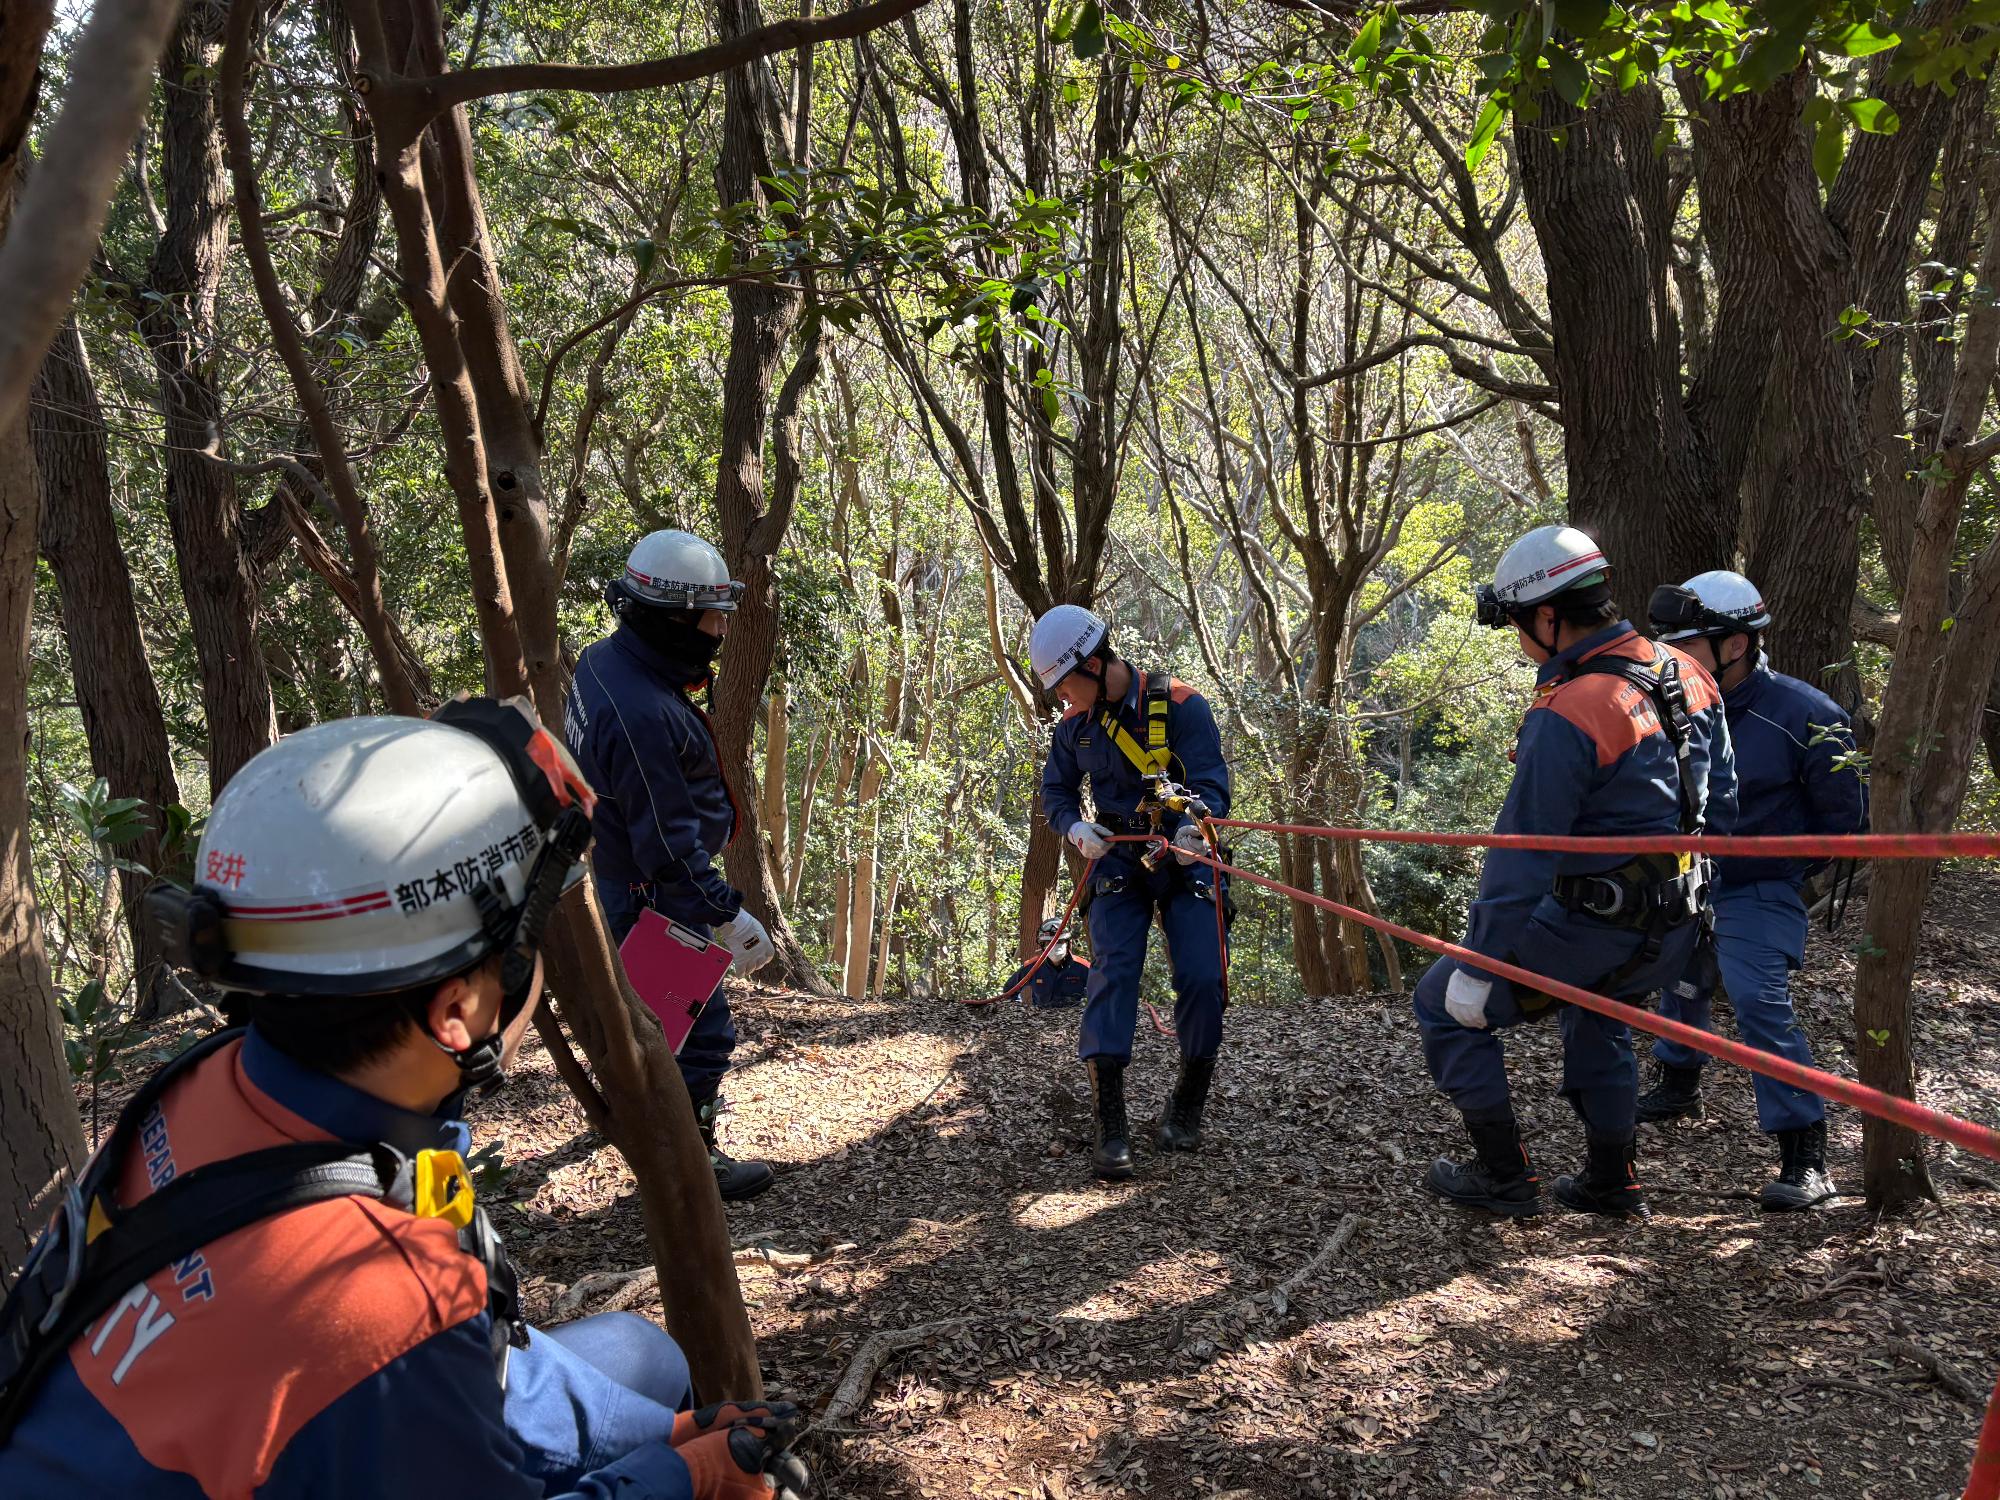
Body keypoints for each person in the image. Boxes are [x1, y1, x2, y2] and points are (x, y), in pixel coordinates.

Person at [0, 702, 807, 1499]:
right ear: (457, 1011)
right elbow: (394, 1342)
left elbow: (482, 1366)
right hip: (337, 1378)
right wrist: (685, 1480)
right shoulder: (378, 1306)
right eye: (523, 949)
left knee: (648, 1359)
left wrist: (665, 1439)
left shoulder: (215, 1082)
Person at [1412, 526, 1736, 1221]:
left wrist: (1481, 958)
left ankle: (1503, 1175)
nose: (1521, 641)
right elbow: (1725, 806)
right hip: (1678, 923)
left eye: (1521, 625)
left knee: (1442, 1004)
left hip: (1596, 925)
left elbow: (1521, 852)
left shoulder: (1571, 710)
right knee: (1598, 1013)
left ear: (1550, 616)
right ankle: (1611, 1180)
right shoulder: (1689, 673)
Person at [1640, 571, 1866, 1210]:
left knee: (1758, 1002)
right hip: (1687, 876)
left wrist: (1781, 869)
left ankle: (1805, 1151)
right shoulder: (1669, 704)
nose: (1672, 658)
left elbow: (1843, 818)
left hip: (1760, 884)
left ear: (1735, 644)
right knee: (1677, 979)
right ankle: (1678, 1079)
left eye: (1688, 644)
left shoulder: (1808, 714)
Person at [566, 530, 776, 1202]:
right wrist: (724, 911)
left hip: (624, 874)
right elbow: (667, 845)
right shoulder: (642, 714)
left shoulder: (602, 664)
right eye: (710, 618)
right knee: (701, 1031)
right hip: (652, 895)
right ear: (668, 620)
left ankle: (642, 1125)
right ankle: (691, 1166)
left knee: (656, 1022)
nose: (720, 632)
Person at [1032, 604, 1233, 1180]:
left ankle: (1189, 1099)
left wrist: (1201, 825)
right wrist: (1073, 827)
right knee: (1113, 970)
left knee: (1201, 974)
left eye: (1067, 684)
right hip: (1120, 854)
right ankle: (1111, 1120)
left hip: (1187, 852)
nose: (1065, 698)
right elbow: (1057, 793)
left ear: (1094, 665)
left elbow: (1213, 785)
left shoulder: (1185, 706)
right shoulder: (1074, 729)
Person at [1002, 916, 1091, 1010]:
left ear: (1068, 943)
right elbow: (1009, 990)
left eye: (1060, 941)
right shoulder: (1032, 967)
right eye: (1049, 942)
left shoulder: (1083, 967)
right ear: (1042, 945)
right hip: (1040, 1020)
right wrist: (1020, 1012)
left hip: (1073, 1020)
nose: (1055, 946)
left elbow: (1102, 992)